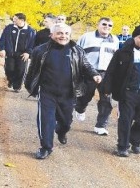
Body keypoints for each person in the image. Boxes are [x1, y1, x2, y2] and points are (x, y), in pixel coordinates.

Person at [25, 23, 102, 159]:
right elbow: (32, 71)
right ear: (52, 35)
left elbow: (86, 65)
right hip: (47, 92)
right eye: (59, 33)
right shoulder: (40, 51)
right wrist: (29, 85)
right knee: (46, 120)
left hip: (68, 93)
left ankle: (61, 131)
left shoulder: (77, 50)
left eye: (66, 33)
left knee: (66, 121)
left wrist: (94, 74)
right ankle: (46, 147)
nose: (63, 36)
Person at [102, 24, 140, 157]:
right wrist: (106, 89)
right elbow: (111, 72)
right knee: (125, 120)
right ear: (135, 37)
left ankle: (135, 140)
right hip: (127, 93)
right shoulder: (123, 53)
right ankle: (122, 146)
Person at [74, 17, 119, 135]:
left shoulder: (115, 40)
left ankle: (101, 125)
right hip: (88, 72)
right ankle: (80, 108)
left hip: (106, 73)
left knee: (106, 99)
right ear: (98, 24)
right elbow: (76, 54)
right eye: (104, 24)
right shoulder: (86, 37)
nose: (107, 27)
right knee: (85, 96)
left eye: (110, 25)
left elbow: (116, 58)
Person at [0, 13, 36, 92]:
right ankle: (11, 81)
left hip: (22, 54)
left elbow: (33, 44)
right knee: (9, 69)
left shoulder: (30, 31)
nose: (13, 20)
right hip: (10, 53)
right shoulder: (9, 28)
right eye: (13, 19)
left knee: (21, 70)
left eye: (15, 19)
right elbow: (2, 39)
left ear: (22, 20)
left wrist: (28, 53)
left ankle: (17, 86)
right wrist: (2, 49)